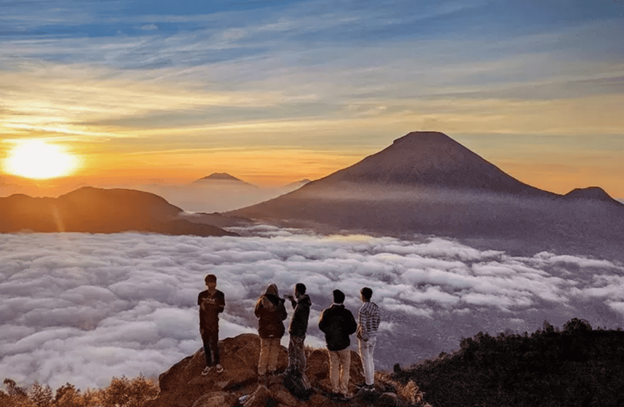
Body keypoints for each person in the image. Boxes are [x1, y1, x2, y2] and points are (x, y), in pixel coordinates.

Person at [318, 289, 357, 400]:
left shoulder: (327, 312)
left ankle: (335, 390)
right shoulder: (346, 313)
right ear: (343, 300)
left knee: (334, 366)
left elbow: (321, 326)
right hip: (344, 344)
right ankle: (343, 391)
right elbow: (353, 327)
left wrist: (329, 333)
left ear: (333, 299)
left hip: (331, 344)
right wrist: (345, 332)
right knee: (345, 367)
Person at [255, 283, 288, 379]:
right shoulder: (279, 303)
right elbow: (284, 316)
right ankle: (271, 370)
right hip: (276, 331)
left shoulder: (261, 302)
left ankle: (261, 371)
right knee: (274, 351)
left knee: (264, 350)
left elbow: (257, 314)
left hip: (264, 331)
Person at [197, 274, 225, 376]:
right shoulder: (201, 295)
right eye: (209, 282)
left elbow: (221, 309)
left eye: (213, 282)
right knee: (206, 344)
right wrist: (201, 326)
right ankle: (208, 364)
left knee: (214, 343)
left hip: (214, 322)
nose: (211, 284)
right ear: (206, 283)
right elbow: (201, 311)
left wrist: (211, 306)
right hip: (204, 323)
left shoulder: (220, 295)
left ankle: (217, 363)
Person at [285, 283, 312, 387]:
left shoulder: (303, 305)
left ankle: (300, 372)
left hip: (297, 333)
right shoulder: (303, 303)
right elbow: (298, 310)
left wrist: (298, 332)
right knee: (291, 351)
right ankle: (291, 369)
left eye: (295, 290)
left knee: (299, 353)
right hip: (296, 332)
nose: (294, 292)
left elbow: (299, 317)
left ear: (298, 291)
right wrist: (293, 302)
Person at [356, 287, 380, 391]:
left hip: (366, 338)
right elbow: (378, 321)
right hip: (374, 336)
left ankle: (368, 384)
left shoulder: (363, 309)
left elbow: (362, 325)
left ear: (363, 296)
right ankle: (371, 381)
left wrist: (364, 337)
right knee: (370, 359)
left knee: (365, 360)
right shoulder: (375, 307)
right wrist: (373, 332)